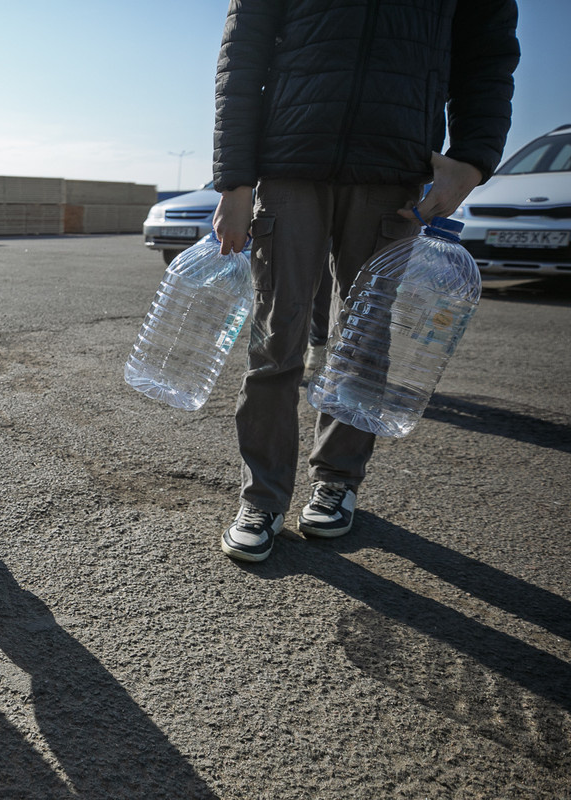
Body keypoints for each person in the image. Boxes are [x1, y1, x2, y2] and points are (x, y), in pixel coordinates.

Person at [211, 0, 519, 562]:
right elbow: (244, 51)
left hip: (393, 168)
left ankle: (337, 481)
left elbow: (488, 56)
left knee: (363, 341)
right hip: (290, 162)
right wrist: (234, 181)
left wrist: (473, 159)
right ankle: (263, 496)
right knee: (277, 341)